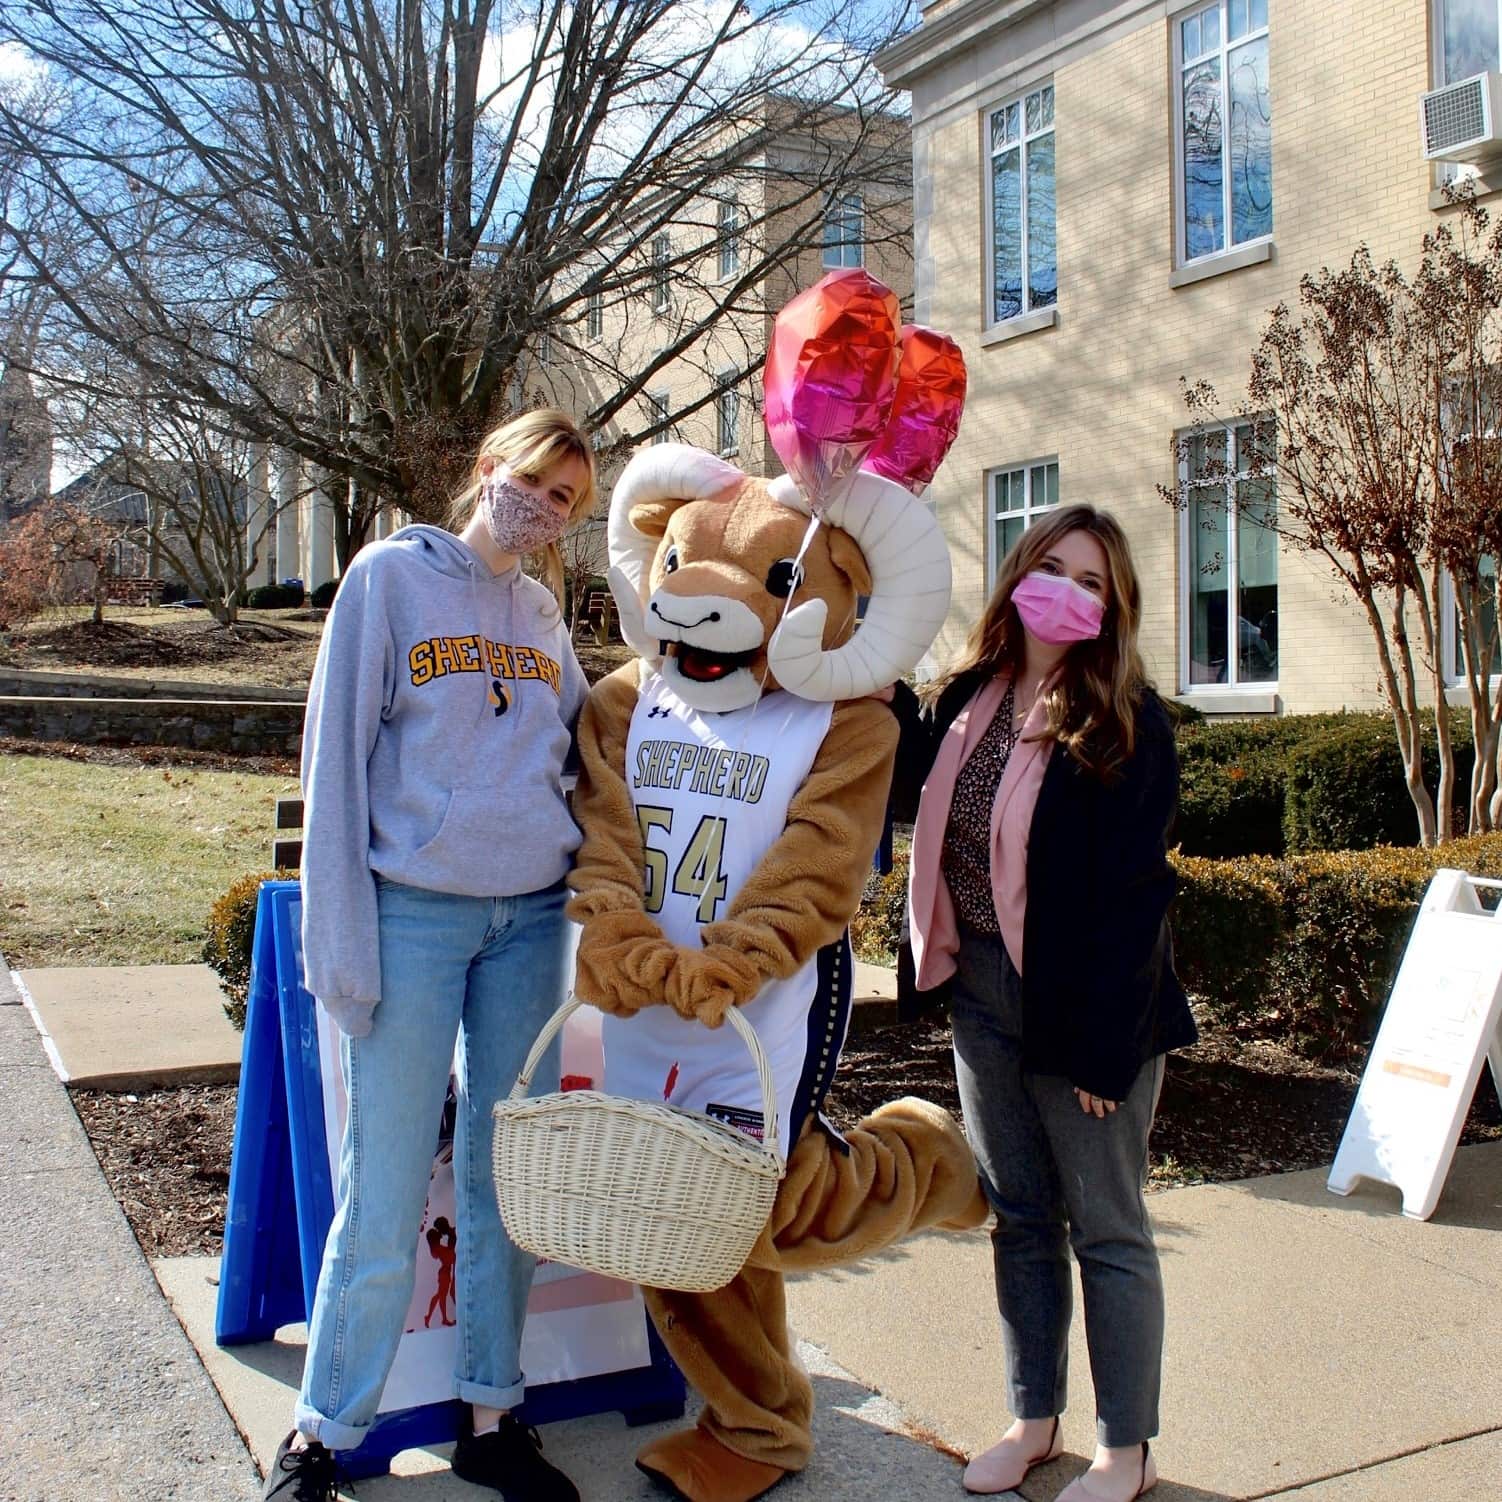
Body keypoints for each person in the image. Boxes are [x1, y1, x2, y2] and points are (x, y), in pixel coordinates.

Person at [262, 410, 597, 1502]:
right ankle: (323, 1428)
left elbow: (587, 744)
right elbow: (337, 763)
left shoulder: (543, 613)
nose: (542, 508)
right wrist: (340, 939)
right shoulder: (387, 579)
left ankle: (492, 1415)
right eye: (535, 480)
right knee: (386, 1178)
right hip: (413, 913)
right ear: (488, 466)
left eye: (566, 502)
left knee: (510, 1182)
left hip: (530, 920)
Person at [887, 504, 1196, 1502]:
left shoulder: (1123, 722)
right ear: (1018, 572)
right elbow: (910, 793)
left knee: (1105, 1225)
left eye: (1092, 579)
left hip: (1088, 1011)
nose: (1067, 586)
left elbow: (1134, 899)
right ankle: (1031, 1417)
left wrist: (1106, 1053)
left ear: (1112, 608)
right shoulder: (968, 697)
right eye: (1051, 565)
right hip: (981, 993)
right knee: (1018, 1213)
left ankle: (1124, 1449)